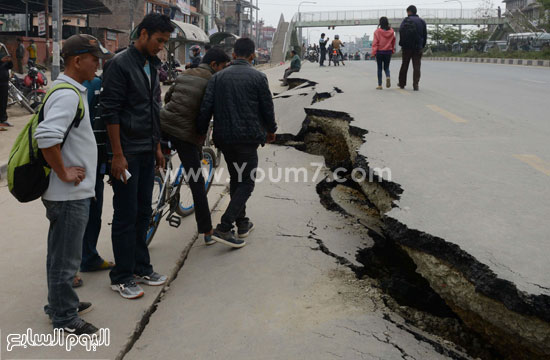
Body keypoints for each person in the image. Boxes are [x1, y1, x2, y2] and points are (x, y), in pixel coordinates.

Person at [34, 34, 113, 335]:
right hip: (68, 194)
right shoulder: (68, 94)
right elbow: (47, 137)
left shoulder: (67, 89)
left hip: (67, 192)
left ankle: (59, 303)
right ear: (78, 60)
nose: (98, 64)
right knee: (66, 259)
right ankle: (65, 318)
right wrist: (65, 172)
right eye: (95, 59)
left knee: (59, 255)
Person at [101, 13, 174, 299]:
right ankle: (121, 275)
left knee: (145, 211)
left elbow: (153, 109)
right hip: (126, 153)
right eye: (159, 40)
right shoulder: (119, 65)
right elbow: (111, 112)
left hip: (146, 149)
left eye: (165, 42)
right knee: (126, 214)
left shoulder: (152, 66)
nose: (161, 46)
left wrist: (157, 147)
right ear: (143, 34)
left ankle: (141, 266)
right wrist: (117, 155)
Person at [196, 38, 277, 248]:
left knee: (236, 179)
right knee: (247, 183)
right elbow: (267, 107)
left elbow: (206, 108)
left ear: (233, 55)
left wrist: (200, 133)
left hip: (224, 138)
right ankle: (225, 226)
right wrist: (271, 130)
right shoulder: (259, 77)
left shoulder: (218, 77)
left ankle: (242, 223)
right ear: (252, 56)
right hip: (248, 139)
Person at [161, 48, 231, 245]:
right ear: (215, 65)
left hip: (162, 125)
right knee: (197, 182)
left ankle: (161, 182)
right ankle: (207, 231)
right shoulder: (214, 80)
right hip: (185, 133)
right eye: (223, 67)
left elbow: (168, 98)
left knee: (161, 160)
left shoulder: (186, 73)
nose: (223, 70)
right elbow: (208, 111)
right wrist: (201, 133)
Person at [80, 74, 115, 274]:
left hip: (95, 162)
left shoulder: (92, 84)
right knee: (83, 215)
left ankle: (88, 256)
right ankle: (78, 262)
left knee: (93, 213)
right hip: (86, 162)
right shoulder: (93, 85)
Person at [398, 5, 427, 91]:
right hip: (418, 47)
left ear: (409, 12)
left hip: (407, 47)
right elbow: (425, 35)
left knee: (404, 65)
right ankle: (416, 84)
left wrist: (403, 44)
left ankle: (402, 83)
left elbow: (401, 31)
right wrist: (422, 46)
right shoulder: (422, 22)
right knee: (417, 66)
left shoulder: (406, 20)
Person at [372, 17, 396, 90]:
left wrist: (373, 52)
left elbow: (375, 43)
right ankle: (388, 76)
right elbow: (393, 41)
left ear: (380, 23)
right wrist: (392, 50)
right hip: (388, 51)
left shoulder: (377, 32)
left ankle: (380, 85)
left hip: (379, 52)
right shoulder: (392, 32)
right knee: (386, 67)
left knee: (379, 68)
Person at [0, 52, 13, 128]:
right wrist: (1, 61)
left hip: (4, 84)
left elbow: (10, 66)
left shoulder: (4, 58)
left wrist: (9, 60)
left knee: (3, 102)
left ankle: (3, 119)